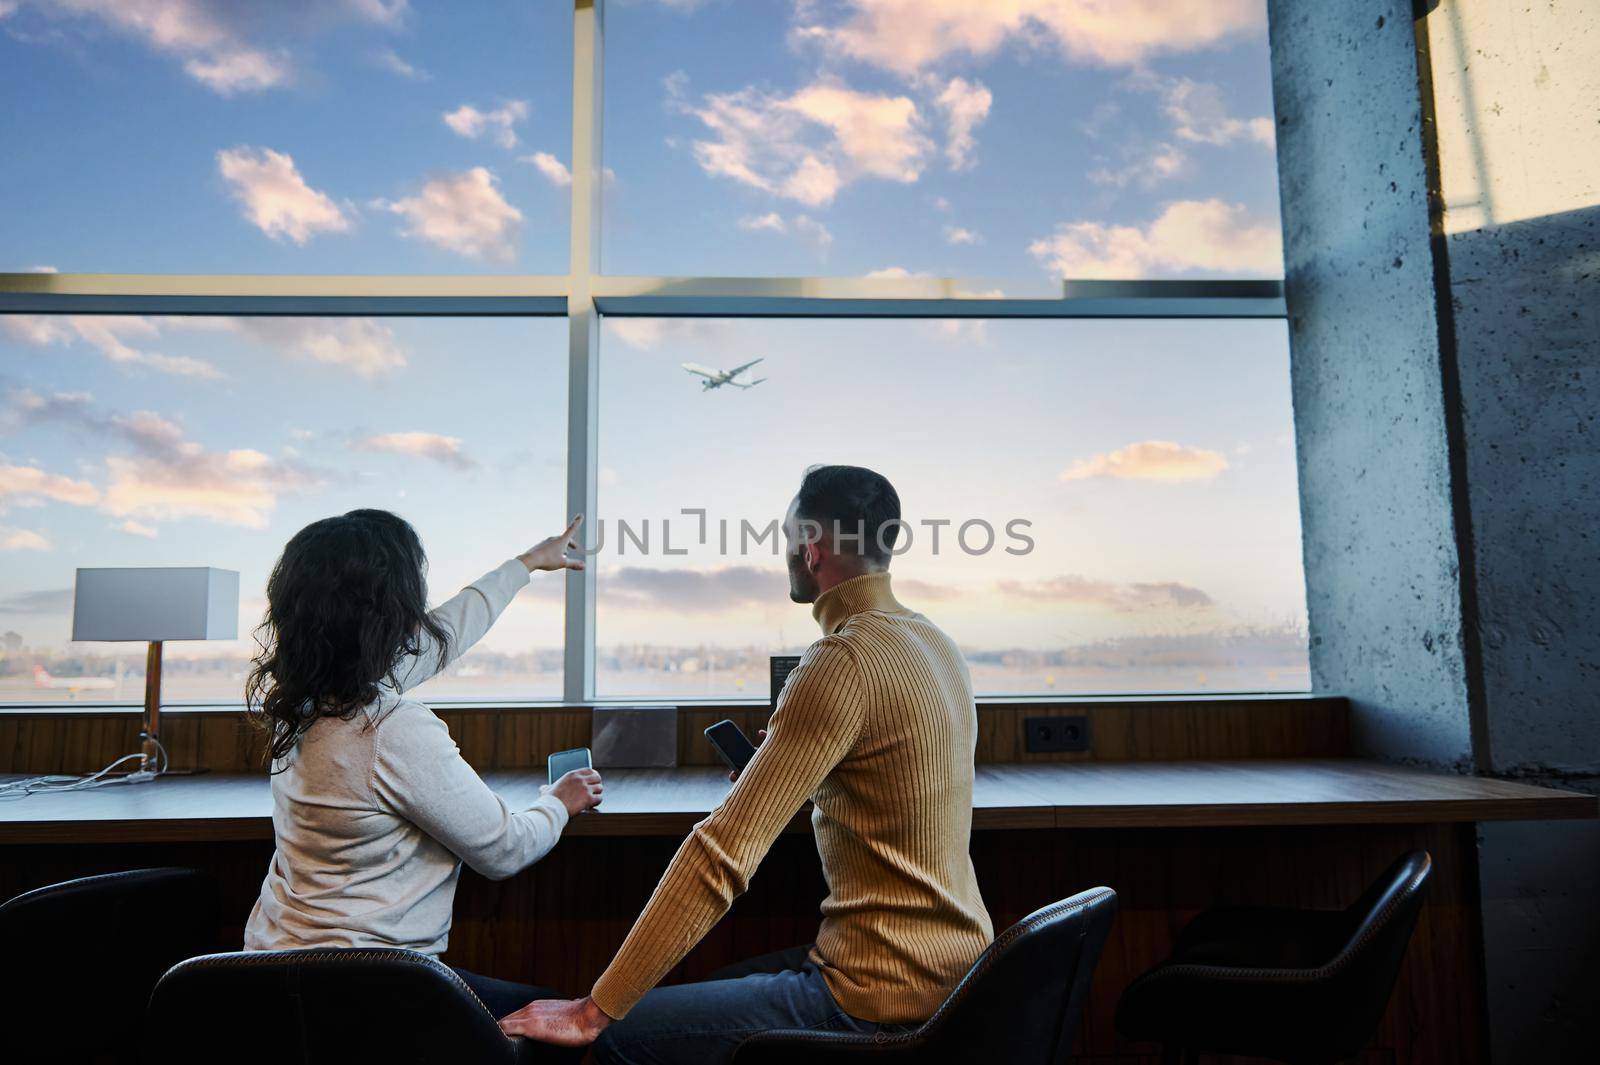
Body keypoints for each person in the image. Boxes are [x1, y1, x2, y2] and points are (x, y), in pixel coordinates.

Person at [501, 466, 994, 1064]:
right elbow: (898, 791)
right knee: (708, 982)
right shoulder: (936, 642)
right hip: (960, 970)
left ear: (812, 548)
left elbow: (720, 855)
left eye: (787, 537)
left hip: (877, 991)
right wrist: (795, 780)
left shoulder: (840, 659)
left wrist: (593, 1010)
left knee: (616, 1041)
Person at [242, 508, 601, 1025]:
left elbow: (442, 638)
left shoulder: (300, 704)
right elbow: (504, 849)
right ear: (389, 613)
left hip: (273, 973)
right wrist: (559, 802)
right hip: (372, 994)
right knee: (564, 1015)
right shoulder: (386, 727)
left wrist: (525, 565)